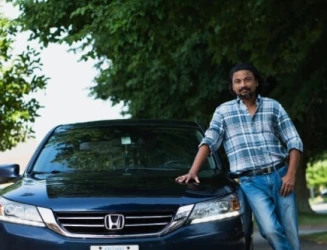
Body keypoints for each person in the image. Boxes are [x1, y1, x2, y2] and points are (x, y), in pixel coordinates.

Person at [176, 62, 303, 250]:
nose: (243, 84)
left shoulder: (273, 106)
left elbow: (294, 141)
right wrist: (193, 171)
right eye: (238, 81)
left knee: (291, 231)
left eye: (247, 80)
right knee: (270, 230)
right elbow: (209, 141)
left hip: (281, 176)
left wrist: (291, 175)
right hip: (251, 182)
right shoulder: (224, 112)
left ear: (256, 82)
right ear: (232, 86)